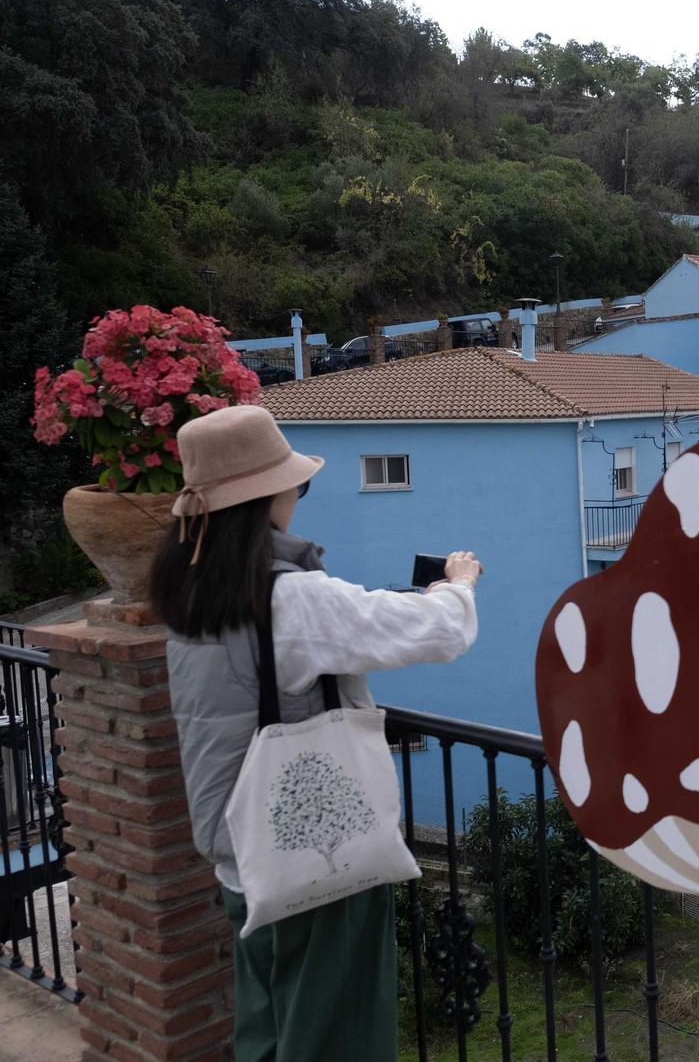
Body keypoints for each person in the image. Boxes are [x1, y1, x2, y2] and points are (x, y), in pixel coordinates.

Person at [149, 405, 482, 1061]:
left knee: (269, 1031)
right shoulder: (288, 595)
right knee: (339, 1036)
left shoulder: (189, 587)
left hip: (244, 855)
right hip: (320, 859)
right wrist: (458, 585)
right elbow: (439, 633)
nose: (296, 496)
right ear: (267, 495)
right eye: (294, 484)